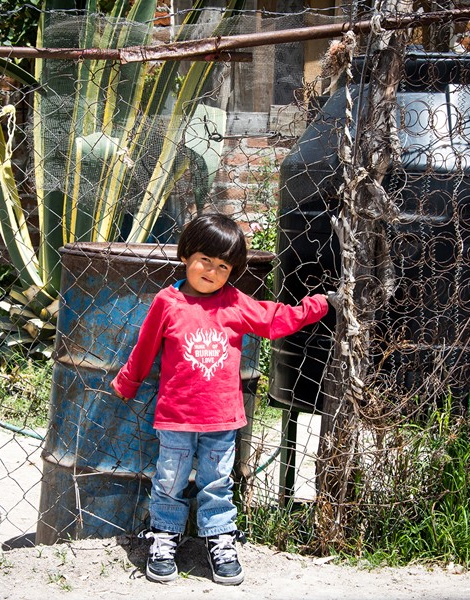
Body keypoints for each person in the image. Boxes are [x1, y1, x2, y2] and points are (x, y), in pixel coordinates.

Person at [110, 213, 330, 585]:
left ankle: (219, 540)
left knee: (216, 481)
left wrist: (319, 306)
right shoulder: (167, 302)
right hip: (176, 418)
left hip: (221, 418)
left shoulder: (235, 303)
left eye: (223, 266)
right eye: (205, 260)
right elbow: (144, 348)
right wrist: (127, 383)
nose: (211, 271)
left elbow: (274, 319)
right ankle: (164, 536)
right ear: (185, 256)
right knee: (170, 478)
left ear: (233, 272)